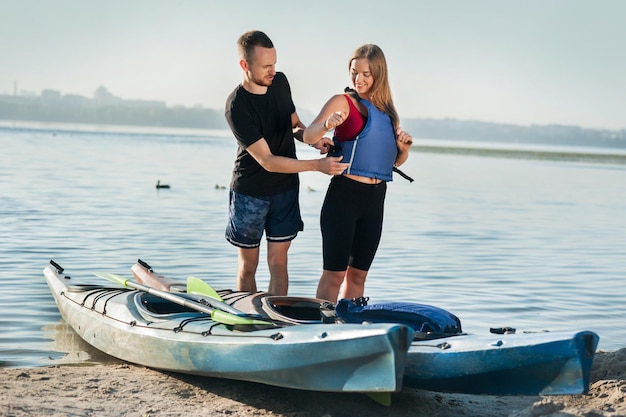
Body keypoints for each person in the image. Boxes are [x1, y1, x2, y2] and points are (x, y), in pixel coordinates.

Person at [224, 30, 348, 296]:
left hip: (285, 190)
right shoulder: (237, 107)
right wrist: (317, 166)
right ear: (245, 66)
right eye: (266, 66)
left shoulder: (280, 83)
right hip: (250, 192)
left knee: (279, 262)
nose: (273, 71)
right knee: (248, 266)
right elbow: (267, 161)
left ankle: (275, 321)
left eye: (275, 63)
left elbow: (293, 125)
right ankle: (248, 321)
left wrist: (314, 140)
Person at [303, 44, 413, 302]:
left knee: (358, 276)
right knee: (334, 274)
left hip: (375, 200)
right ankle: (322, 326)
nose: (358, 79)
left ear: (378, 74)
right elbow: (309, 135)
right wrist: (326, 126)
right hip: (344, 197)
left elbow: (390, 162)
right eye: (354, 72)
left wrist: (404, 150)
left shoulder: (388, 113)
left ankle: (348, 327)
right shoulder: (342, 102)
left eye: (366, 74)